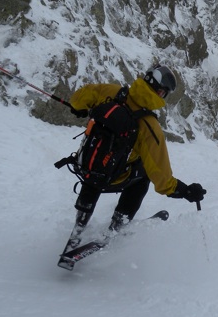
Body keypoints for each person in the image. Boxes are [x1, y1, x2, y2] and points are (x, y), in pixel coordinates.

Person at [68, 64, 206, 232]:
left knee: (97, 168)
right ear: (161, 93)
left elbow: (77, 99)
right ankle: (118, 224)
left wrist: (79, 109)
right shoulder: (150, 126)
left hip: (84, 165)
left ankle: (80, 221)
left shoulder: (111, 91)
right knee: (143, 176)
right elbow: (161, 178)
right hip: (113, 176)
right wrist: (185, 191)